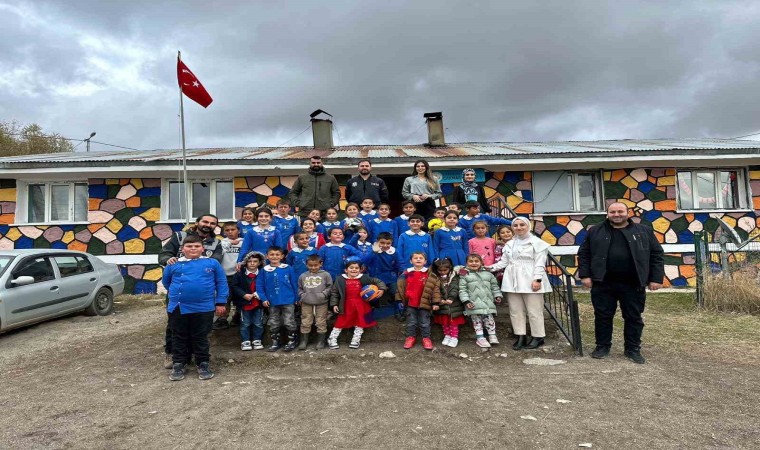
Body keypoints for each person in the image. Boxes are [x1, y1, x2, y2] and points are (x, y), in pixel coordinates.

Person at [577, 202, 664, 364]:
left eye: (620, 211)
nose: (616, 215)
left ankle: (632, 349)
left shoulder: (643, 231)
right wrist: (585, 275)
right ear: (607, 214)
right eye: (612, 212)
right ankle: (602, 346)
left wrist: (656, 278)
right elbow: (584, 254)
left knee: (633, 317)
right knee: (602, 316)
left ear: (627, 212)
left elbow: (656, 254)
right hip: (603, 282)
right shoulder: (595, 231)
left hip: (633, 283)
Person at [158, 214, 223, 369]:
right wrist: (168, 260)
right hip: (178, 292)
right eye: (205, 221)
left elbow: (215, 263)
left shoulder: (216, 243)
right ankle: (172, 353)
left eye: (212, 223)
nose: (208, 225)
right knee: (174, 326)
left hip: (202, 296)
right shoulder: (180, 237)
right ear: (197, 222)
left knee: (200, 328)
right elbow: (165, 254)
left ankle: (196, 355)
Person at [488, 217, 552, 350]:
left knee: (534, 310)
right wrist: (488, 268)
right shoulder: (510, 244)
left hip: (530, 277)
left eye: (522, 225)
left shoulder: (537, 243)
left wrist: (537, 279)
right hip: (512, 279)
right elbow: (503, 262)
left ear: (528, 226)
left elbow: (540, 263)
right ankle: (520, 335)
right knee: (515, 310)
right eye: (516, 225)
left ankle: (538, 336)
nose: (519, 227)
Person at [327, 260, 387, 350]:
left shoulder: (365, 278)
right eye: (351, 268)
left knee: (360, 322)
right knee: (341, 322)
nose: (354, 269)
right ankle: (332, 338)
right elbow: (334, 293)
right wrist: (334, 304)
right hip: (346, 305)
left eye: (356, 268)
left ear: (360, 270)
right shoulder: (340, 279)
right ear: (346, 270)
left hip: (362, 305)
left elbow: (378, 281)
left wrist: (381, 289)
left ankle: (356, 339)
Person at [256, 246, 299, 352]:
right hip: (272, 301)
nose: (274, 257)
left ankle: (292, 341)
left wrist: (296, 297)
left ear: (282, 256)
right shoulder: (264, 270)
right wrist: (263, 298)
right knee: (274, 321)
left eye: (277, 254)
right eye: (272, 254)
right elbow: (260, 286)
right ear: (267, 256)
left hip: (288, 300)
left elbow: (294, 284)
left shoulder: (288, 268)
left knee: (289, 321)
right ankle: (276, 342)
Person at [459, 253, 502, 348]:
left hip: (487, 302)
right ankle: (480, 338)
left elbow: (494, 286)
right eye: (471, 261)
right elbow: (462, 290)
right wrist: (466, 301)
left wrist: (497, 295)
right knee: (477, 321)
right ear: (466, 263)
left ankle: (492, 335)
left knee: (489, 319)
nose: (474, 263)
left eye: (476, 261)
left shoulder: (488, 274)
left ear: (481, 262)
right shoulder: (464, 274)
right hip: (473, 303)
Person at [397, 252, 434, 350]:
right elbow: (399, 287)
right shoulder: (406, 273)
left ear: (425, 261)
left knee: (425, 322)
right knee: (411, 322)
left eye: (421, 258)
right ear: (410, 261)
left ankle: (426, 338)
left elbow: (435, 288)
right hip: (410, 302)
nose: (418, 259)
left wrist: (435, 302)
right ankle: (410, 338)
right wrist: (399, 300)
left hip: (424, 302)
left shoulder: (429, 273)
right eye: (415, 258)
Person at [424, 258, 465, 348]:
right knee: (444, 322)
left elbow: (455, 288)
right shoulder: (435, 278)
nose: (442, 272)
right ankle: (447, 335)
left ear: (450, 268)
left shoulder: (455, 276)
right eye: (440, 270)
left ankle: (454, 337)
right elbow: (435, 290)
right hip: (442, 305)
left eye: (445, 270)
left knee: (453, 323)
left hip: (454, 304)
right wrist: (440, 300)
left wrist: (451, 298)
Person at [297, 255, 333, 350]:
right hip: (306, 302)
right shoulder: (303, 276)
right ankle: (304, 341)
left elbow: (330, 287)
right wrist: (302, 295)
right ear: (306, 265)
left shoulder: (325, 275)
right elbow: (299, 288)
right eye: (310, 265)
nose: (313, 267)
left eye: (315, 265)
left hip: (321, 302)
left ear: (321, 264)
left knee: (321, 321)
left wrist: (323, 294)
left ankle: (321, 341)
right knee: (305, 321)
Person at [232, 251, 265, 351]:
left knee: (258, 322)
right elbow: (234, 286)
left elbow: (267, 285)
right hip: (244, 303)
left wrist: (258, 293)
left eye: (255, 261)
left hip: (258, 303)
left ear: (259, 263)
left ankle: (257, 339)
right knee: (245, 323)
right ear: (245, 262)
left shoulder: (263, 273)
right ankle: (245, 340)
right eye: (249, 261)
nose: (252, 263)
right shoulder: (240, 274)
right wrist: (243, 295)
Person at [367, 232, 403, 322]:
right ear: (377, 242)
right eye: (382, 243)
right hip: (375, 277)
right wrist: (373, 252)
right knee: (371, 294)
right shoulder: (372, 250)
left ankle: (398, 311)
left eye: (388, 243)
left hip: (390, 276)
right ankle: (372, 311)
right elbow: (365, 261)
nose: (385, 245)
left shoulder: (394, 251)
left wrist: (403, 273)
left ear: (391, 243)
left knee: (395, 292)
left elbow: (401, 263)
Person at [214, 221, 243, 330]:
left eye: (233, 229)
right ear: (224, 232)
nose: (230, 232)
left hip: (239, 275)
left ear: (238, 230)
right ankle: (222, 319)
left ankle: (237, 316)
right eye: (227, 230)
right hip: (224, 275)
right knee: (225, 297)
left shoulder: (244, 242)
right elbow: (222, 250)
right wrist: (230, 242)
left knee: (239, 297)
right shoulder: (221, 242)